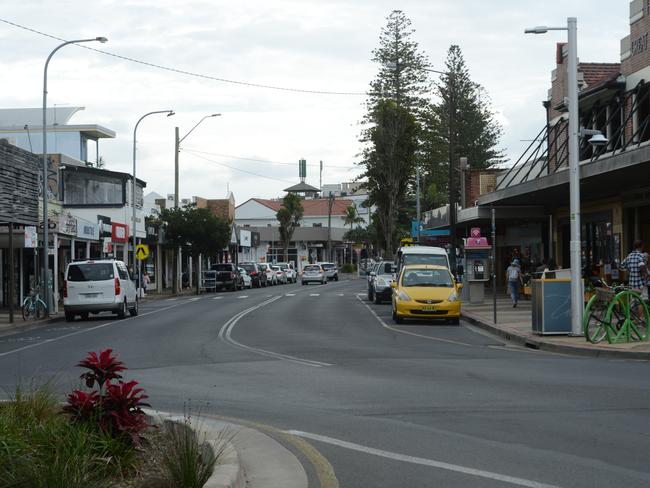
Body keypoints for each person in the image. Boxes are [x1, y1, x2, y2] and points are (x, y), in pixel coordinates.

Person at [620, 240, 648, 314]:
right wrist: (645, 274)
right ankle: (641, 319)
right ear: (641, 246)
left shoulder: (629, 256)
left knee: (633, 300)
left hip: (632, 284)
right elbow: (642, 265)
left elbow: (621, 265)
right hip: (640, 284)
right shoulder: (640, 256)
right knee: (642, 301)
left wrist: (629, 271)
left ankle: (632, 318)